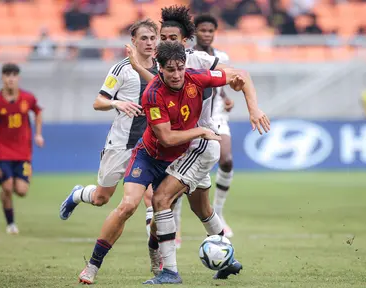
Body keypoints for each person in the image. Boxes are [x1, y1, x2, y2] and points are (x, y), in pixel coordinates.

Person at [78, 40, 256, 285]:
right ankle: (92, 266)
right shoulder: (152, 93)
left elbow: (241, 75)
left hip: (180, 158)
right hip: (150, 156)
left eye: (180, 68)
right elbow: (167, 137)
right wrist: (199, 131)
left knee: (195, 209)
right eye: (170, 69)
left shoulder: (197, 77)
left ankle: (222, 257)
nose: (176, 74)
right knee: (128, 206)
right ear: (159, 68)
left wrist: (250, 104)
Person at [128, 5, 269, 251]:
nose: (167, 42)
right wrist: (139, 69)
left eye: (173, 38)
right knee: (200, 207)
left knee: (163, 198)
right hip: (183, 139)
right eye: (163, 38)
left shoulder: (200, 61)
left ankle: (166, 264)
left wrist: (252, 107)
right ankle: (225, 254)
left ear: (185, 40)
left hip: (200, 140)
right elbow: (160, 88)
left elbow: (238, 77)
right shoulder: (160, 62)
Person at [59, 19, 159, 239]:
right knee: (101, 198)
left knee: (153, 198)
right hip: (122, 143)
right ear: (133, 41)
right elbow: (98, 102)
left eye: (153, 38)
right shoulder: (121, 69)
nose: (149, 43)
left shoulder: (162, 66)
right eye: (144, 38)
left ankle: (159, 259)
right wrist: (117, 103)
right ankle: (78, 194)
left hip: (151, 145)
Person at [175, 13, 236, 238]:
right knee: (181, 173)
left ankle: (219, 212)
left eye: (211, 31)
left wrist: (227, 98)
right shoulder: (188, 57)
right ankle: (176, 224)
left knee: (227, 160)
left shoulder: (221, 56)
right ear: (195, 33)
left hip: (217, 116)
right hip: (191, 117)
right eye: (203, 30)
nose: (207, 34)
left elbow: (221, 81)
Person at [0, 63, 44, 234]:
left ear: (18, 78)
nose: (10, 78)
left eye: (14, 75)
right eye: (7, 75)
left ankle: (4, 195)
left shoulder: (27, 98)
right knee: (7, 187)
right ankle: (11, 224)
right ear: (3, 78)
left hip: (23, 152)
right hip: (1, 151)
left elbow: (38, 112)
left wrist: (38, 134)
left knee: (21, 191)